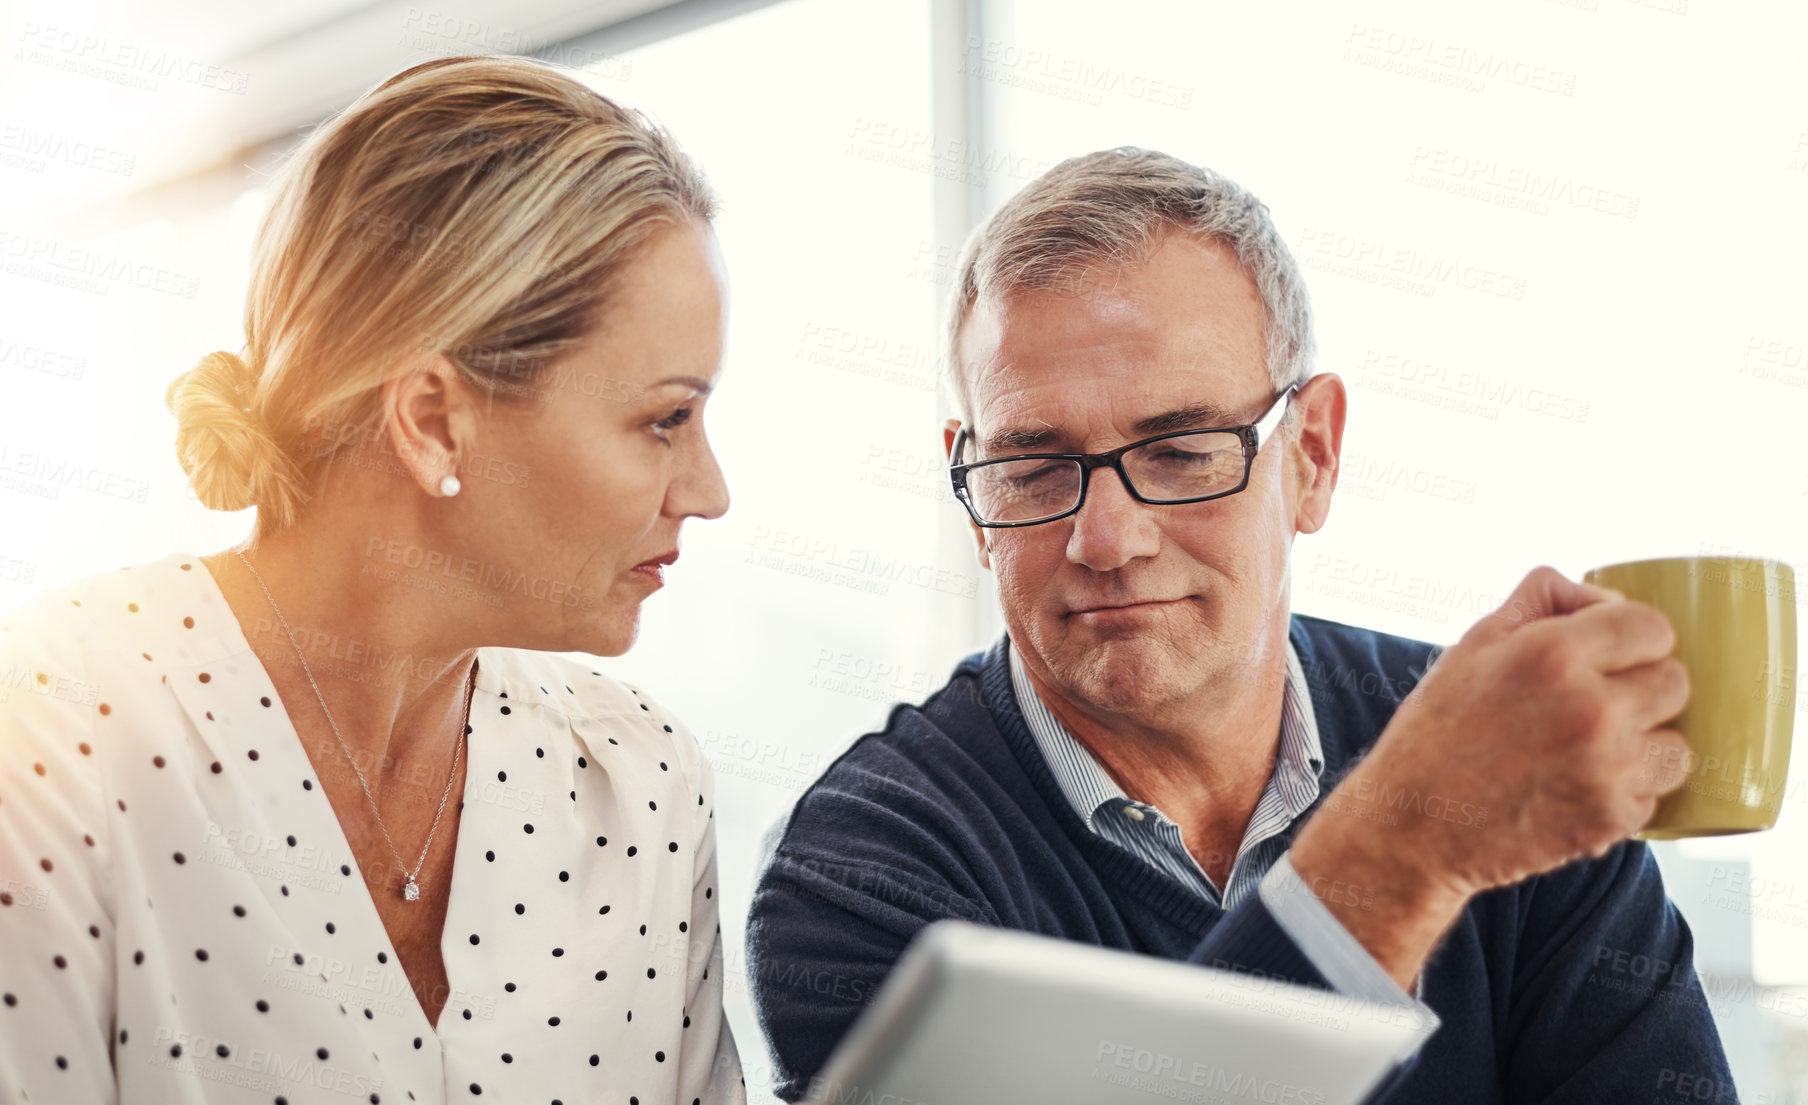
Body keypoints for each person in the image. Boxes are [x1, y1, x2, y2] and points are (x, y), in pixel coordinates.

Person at [744, 147, 1733, 1103]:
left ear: (1309, 454)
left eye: (1178, 449)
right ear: (971, 495)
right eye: (1032, 464)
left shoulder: (1507, 751)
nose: (1106, 538)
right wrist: (1399, 851)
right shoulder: (862, 870)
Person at [0, 55, 745, 1104]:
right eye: (663, 419)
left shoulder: (643, 780)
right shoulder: (54, 728)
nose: (707, 490)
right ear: (434, 418)